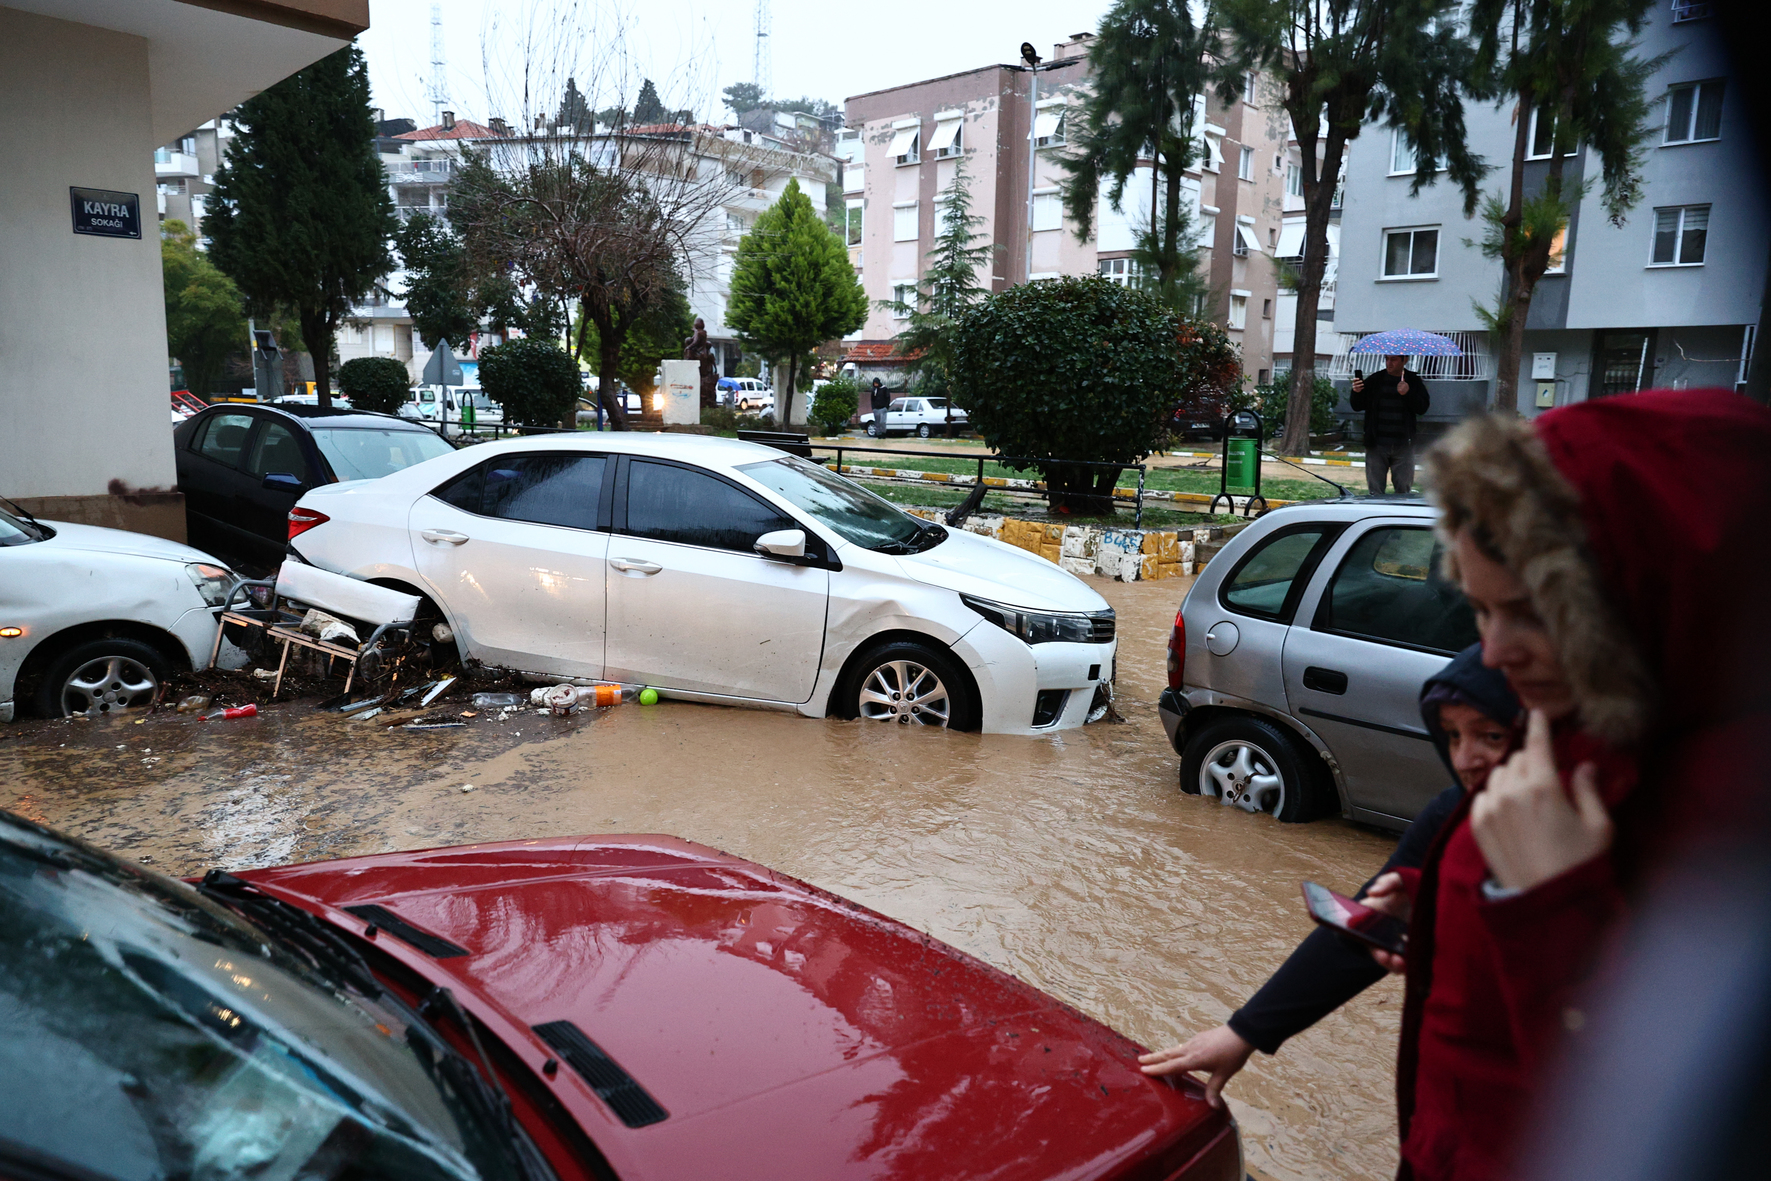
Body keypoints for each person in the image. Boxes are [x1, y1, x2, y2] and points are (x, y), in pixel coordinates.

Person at [1359, 388, 1771, 1181]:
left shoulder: (1734, 825)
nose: (1493, 652)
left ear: (1647, 591)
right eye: (1477, 610)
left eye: (1533, 612)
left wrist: (1548, 901)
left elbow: (1675, 1114)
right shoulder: (1583, 715)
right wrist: (1441, 898)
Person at [1137, 645, 1520, 1107]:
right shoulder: (1450, 818)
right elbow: (1361, 934)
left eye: (1492, 737)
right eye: (1454, 737)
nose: (1465, 760)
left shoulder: (1600, 845)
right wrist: (1244, 1031)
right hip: (1444, 1096)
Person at [1351, 354, 1430, 495]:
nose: (1389, 363)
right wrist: (1356, 392)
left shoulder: (1413, 380)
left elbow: (1422, 407)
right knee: (1375, 491)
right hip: (1377, 445)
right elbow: (1357, 405)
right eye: (1387, 359)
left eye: (1393, 359)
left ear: (1404, 360)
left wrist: (1408, 393)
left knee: (1403, 490)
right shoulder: (1376, 380)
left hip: (1403, 445)